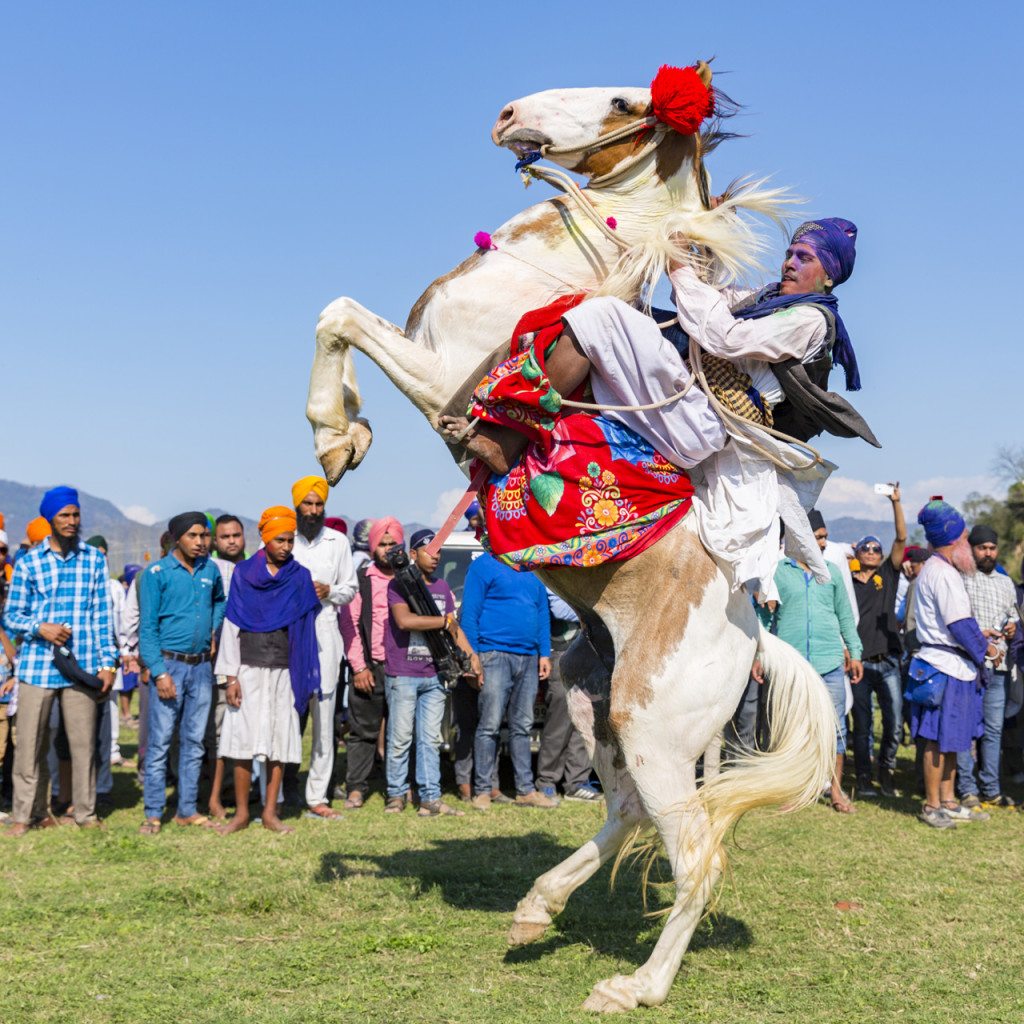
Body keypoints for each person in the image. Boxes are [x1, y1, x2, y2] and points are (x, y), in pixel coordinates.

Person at [441, 219, 872, 590]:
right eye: (789, 253)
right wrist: (701, 235)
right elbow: (712, 296)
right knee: (604, 305)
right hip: (688, 404)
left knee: (603, 318)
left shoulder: (811, 321)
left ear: (829, 275)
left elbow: (723, 335)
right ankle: (513, 434)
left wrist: (679, 267)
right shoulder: (766, 297)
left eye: (804, 257)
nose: (789, 263)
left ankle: (513, 431)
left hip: (704, 422)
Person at [2, 486, 116, 834]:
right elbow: (11, 616)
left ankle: (85, 813)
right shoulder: (29, 562)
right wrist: (41, 628)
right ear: (49, 519)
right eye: (64, 515)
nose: (71, 521)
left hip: (80, 668)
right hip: (37, 666)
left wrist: (107, 663)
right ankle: (26, 815)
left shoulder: (94, 559)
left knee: (83, 746)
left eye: (75, 515)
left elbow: (101, 615)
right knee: (30, 747)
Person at [215, 507, 321, 835]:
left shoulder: (299, 576)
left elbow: (305, 629)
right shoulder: (245, 574)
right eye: (280, 540)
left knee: (279, 743)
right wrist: (230, 677)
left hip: (284, 671)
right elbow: (232, 625)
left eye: (290, 540)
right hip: (247, 669)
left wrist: (304, 673)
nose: (286, 546)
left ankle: (271, 813)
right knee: (242, 744)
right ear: (265, 538)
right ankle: (243, 814)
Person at [907, 500, 995, 829]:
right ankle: (932, 806)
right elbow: (959, 624)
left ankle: (948, 800)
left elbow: (956, 623)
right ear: (953, 539)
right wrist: (986, 649)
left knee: (954, 739)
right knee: (935, 739)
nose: (968, 540)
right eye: (963, 535)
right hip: (942, 666)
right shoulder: (942, 573)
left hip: (951, 664)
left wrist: (979, 638)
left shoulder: (942, 570)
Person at [137, 512, 226, 834]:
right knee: (160, 743)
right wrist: (159, 673)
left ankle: (187, 809)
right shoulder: (156, 573)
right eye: (193, 536)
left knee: (194, 741)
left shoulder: (210, 569)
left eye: (204, 535)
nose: (201, 542)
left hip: (201, 667)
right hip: (169, 666)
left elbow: (219, 601)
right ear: (177, 538)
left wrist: (214, 630)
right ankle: (153, 812)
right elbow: (147, 629)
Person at [383, 529, 481, 816]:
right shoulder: (398, 586)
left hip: (435, 673)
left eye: (439, 550)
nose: (436, 556)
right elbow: (404, 620)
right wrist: (442, 622)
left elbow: (455, 628)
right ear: (413, 555)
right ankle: (396, 795)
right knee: (400, 737)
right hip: (403, 672)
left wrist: (472, 657)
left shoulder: (442, 589)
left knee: (430, 739)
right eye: (430, 550)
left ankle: (430, 797)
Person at [765, 552, 863, 812]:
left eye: (823, 537)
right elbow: (766, 616)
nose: (821, 543)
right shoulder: (778, 570)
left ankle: (837, 792)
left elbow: (845, 616)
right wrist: (759, 653)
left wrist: (855, 653)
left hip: (829, 661)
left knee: (835, 728)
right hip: (792, 662)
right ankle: (792, 791)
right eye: (816, 536)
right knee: (790, 728)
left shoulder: (832, 571)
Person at [460, 551, 554, 810]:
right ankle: (482, 790)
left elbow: (542, 610)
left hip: (528, 655)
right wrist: (472, 657)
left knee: (522, 727)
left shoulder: (531, 564)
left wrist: (544, 652)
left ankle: (525, 790)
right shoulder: (483, 565)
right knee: (489, 725)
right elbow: (469, 613)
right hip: (493, 654)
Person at [289, 475, 357, 820]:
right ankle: (282, 791)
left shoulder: (338, 542)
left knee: (324, 719)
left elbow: (350, 588)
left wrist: (328, 591)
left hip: (326, 637)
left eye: (319, 504)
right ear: (297, 506)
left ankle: (317, 796)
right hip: (288, 640)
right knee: (286, 719)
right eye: (308, 504)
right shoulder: (283, 539)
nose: (314, 510)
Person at [338, 516, 402, 809]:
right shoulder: (362, 579)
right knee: (363, 731)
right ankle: (356, 788)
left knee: (401, 733)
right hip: (371, 667)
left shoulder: (409, 578)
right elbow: (349, 624)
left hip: (404, 669)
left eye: (393, 544)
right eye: (383, 544)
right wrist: (359, 667)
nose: (388, 549)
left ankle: (399, 790)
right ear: (373, 547)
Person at [955, 525, 1019, 808]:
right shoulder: (961, 579)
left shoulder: (1006, 582)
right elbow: (958, 620)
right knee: (968, 729)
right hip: (969, 664)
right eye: (983, 548)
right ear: (972, 549)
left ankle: (991, 789)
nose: (988, 553)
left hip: (1001, 666)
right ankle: (967, 788)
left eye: (992, 548)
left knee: (993, 730)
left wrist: (1013, 628)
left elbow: (1013, 617)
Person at [850, 484, 907, 798]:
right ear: (858, 553)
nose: (872, 552)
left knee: (895, 722)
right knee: (863, 726)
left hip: (887, 662)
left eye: (875, 549)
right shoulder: (847, 581)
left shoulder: (888, 574)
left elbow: (901, 538)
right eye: (866, 549)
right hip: (859, 663)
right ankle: (862, 779)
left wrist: (895, 503)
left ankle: (886, 775)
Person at [535, 589, 599, 802]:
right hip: (560, 652)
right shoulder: (552, 574)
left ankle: (577, 782)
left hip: (588, 652)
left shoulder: (582, 570)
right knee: (560, 720)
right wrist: (590, 608)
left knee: (585, 718)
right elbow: (558, 609)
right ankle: (547, 781)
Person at [206, 514, 245, 820]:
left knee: (245, 726)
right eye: (225, 537)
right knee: (220, 728)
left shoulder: (254, 567)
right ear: (215, 541)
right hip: (219, 662)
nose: (231, 541)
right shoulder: (210, 569)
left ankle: (241, 788)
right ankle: (215, 794)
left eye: (236, 535)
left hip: (251, 659)